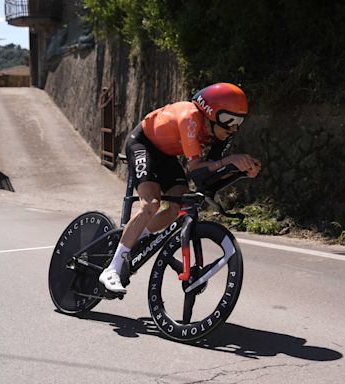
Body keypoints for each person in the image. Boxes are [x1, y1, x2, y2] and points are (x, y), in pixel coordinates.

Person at [99, 82, 262, 293]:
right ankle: (112, 268)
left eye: (239, 122)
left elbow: (208, 175)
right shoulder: (190, 119)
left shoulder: (222, 132)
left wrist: (240, 171)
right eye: (229, 120)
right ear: (211, 113)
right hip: (143, 144)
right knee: (151, 204)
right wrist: (230, 162)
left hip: (166, 155)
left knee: (177, 206)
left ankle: (136, 238)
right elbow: (196, 170)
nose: (234, 128)